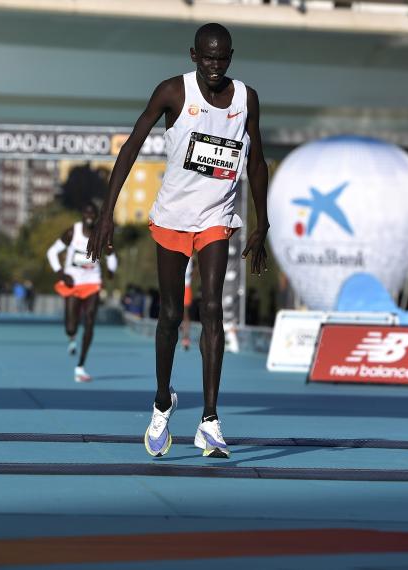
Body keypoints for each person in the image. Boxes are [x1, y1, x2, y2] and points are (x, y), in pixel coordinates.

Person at [87, 23, 269, 458]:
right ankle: (162, 404)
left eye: (222, 58)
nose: (215, 65)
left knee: (211, 309)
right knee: (169, 314)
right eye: (207, 57)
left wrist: (263, 225)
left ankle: (210, 419)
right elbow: (132, 145)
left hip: (216, 216)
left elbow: (257, 160)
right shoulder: (172, 91)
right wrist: (106, 213)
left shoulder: (246, 98)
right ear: (193, 55)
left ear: (231, 56)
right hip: (172, 217)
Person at [47, 203, 118, 383]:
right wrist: (61, 273)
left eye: (92, 213)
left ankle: (80, 366)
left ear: (96, 216)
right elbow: (52, 252)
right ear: (82, 214)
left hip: (92, 282)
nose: (89, 216)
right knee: (71, 326)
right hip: (73, 281)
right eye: (86, 212)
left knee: (90, 319)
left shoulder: (101, 233)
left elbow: (111, 254)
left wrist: (111, 269)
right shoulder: (72, 232)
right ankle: (71, 336)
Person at [180, 256, 195, 351]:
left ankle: (186, 339)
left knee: (185, 314)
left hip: (186, 287)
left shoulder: (191, 257)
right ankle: (183, 336)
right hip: (178, 286)